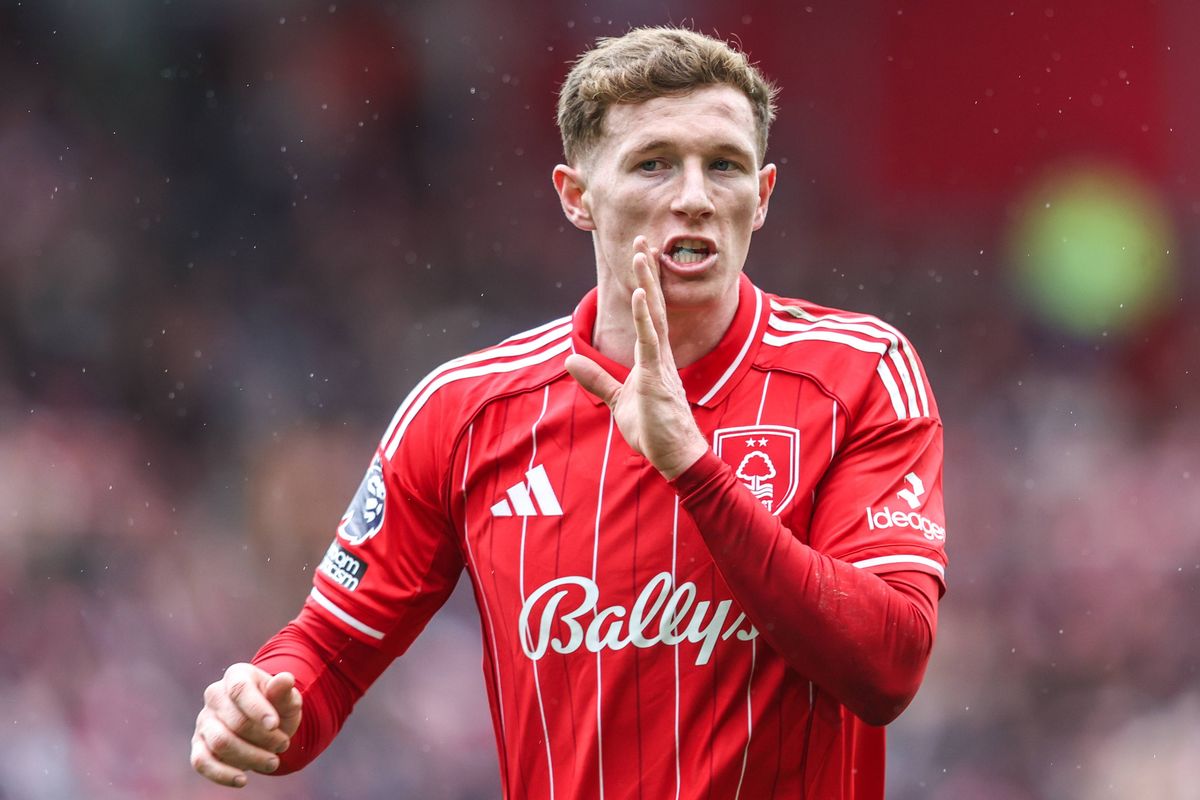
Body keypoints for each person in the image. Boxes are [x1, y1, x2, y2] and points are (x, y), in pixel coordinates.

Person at [191, 26, 947, 799]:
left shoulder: (860, 373)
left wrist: (696, 472)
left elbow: (888, 666)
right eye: (654, 164)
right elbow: (329, 651)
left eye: (724, 166)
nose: (693, 196)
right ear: (577, 196)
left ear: (762, 197)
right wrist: (264, 704)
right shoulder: (464, 410)